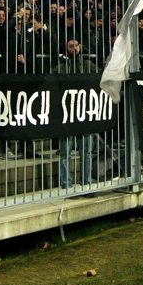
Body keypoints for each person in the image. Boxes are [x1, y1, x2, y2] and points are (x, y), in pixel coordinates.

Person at [54, 38, 98, 191]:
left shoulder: (88, 65)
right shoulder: (59, 68)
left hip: (85, 115)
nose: (75, 48)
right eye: (71, 46)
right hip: (66, 116)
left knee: (86, 152)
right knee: (65, 152)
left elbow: (97, 81)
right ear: (66, 49)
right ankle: (66, 184)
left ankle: (86, 182)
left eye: (77, 45)